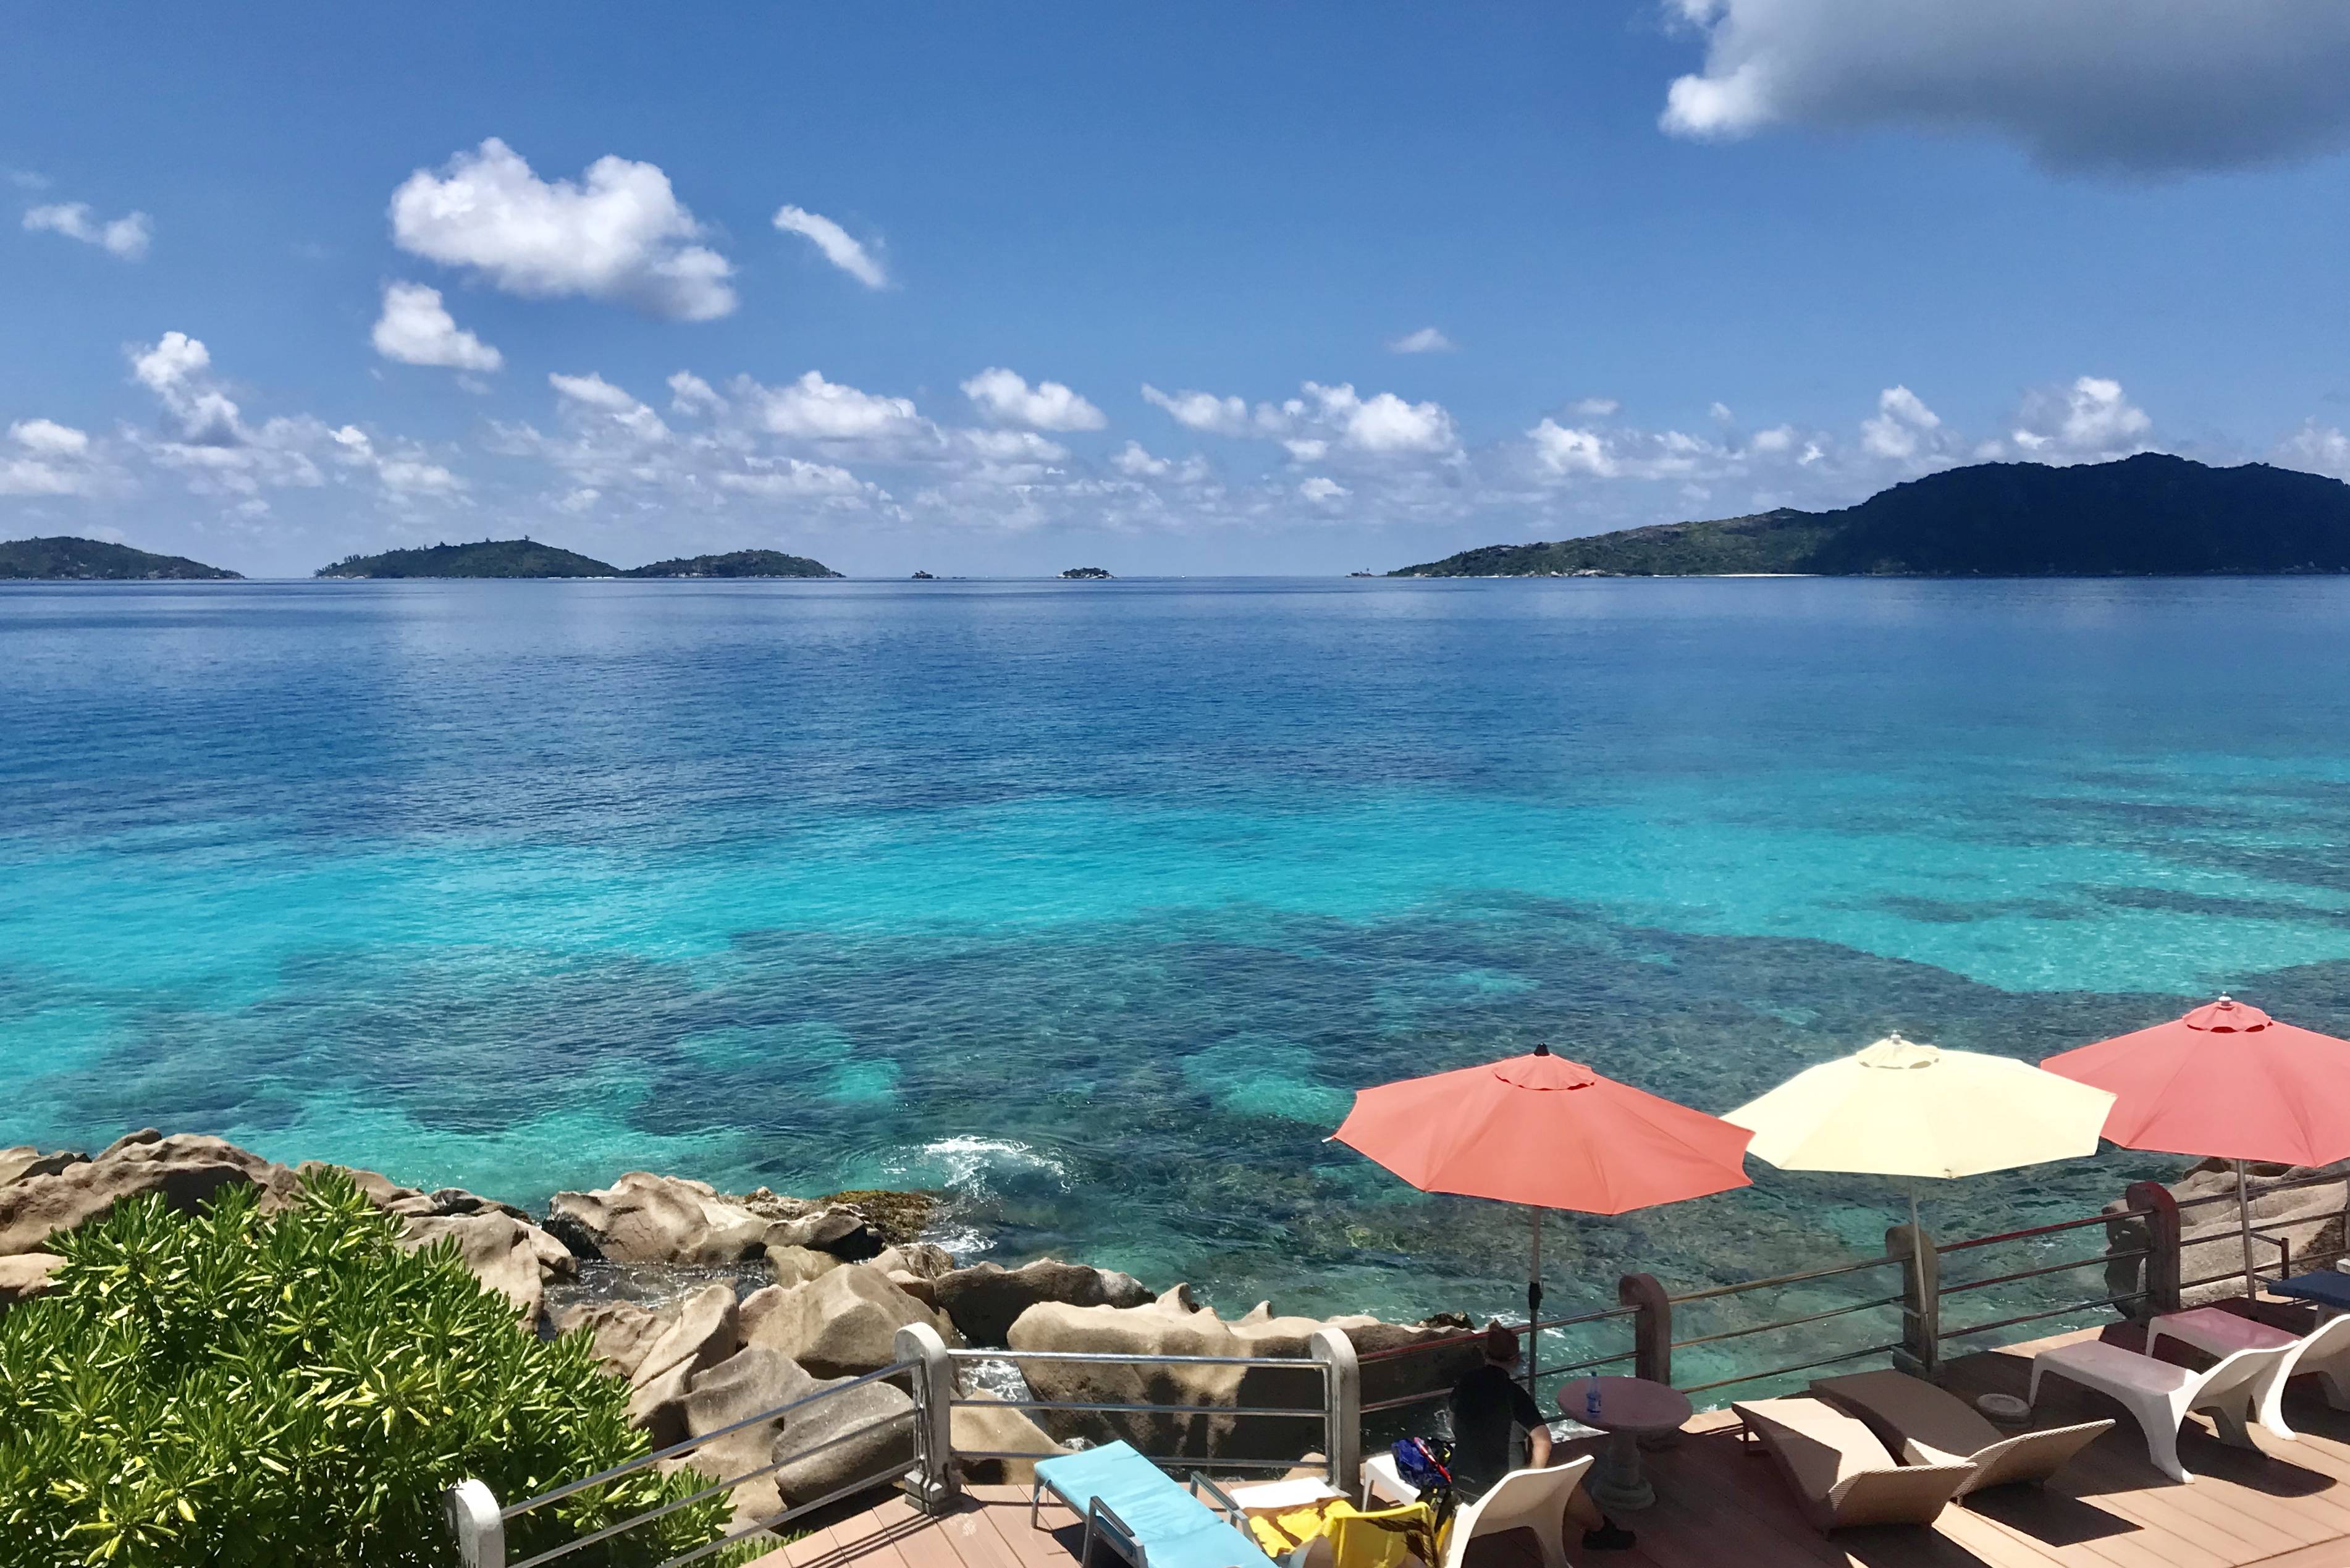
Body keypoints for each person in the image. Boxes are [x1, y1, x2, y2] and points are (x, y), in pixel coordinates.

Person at [1446, 1321, 1636, 1553]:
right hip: (1496, 1497)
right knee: (1566, 1482)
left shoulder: (1465, 1383)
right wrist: (1531, 1476)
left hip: (1459, 1485)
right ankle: (1601, 1531)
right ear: (1515, 1359)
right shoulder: (1513, 1394)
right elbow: (1543, 1440)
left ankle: (1600, 1529)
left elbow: (1453, 1421)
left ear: (1485, 1354)